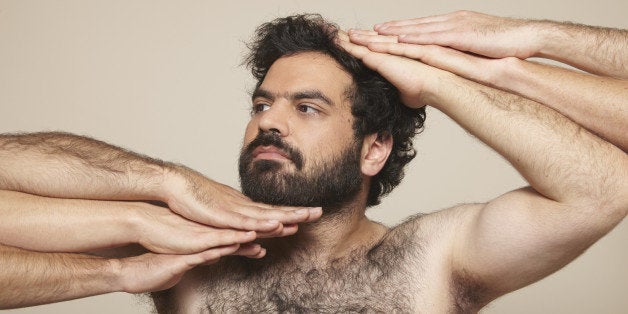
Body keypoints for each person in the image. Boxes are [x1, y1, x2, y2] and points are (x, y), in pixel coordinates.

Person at [0, 10, 626, 313]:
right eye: (263, 103)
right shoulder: (192, 249)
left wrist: (441, 82)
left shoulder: (434, 257)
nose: (268, 120)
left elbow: (603, 189)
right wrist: (158, 186)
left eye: (307, 107)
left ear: (373, 148)